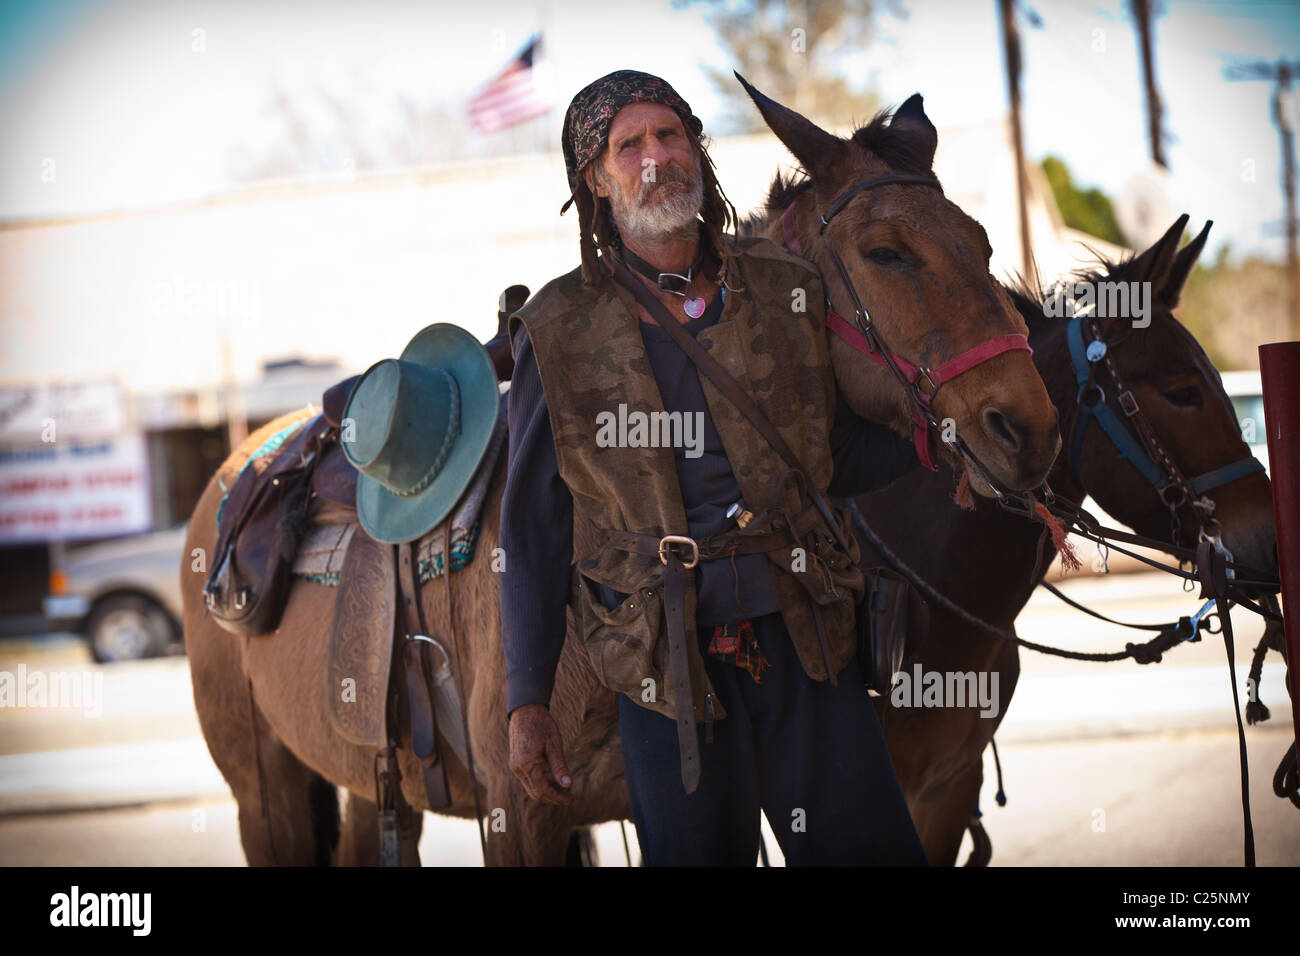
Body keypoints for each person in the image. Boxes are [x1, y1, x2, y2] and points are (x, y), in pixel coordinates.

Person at [499, 69, 928, 866]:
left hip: (810, 639)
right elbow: (530, 532)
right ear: (595, 179)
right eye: (629, 146)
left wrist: (934, 446)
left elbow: (830, 456)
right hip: (664, 667)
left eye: (671, 134)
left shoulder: (786, 286)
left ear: (696, 148)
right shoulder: (554, 329)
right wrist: (528, 699)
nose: (657, 156)